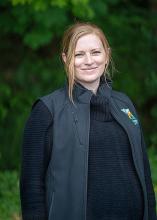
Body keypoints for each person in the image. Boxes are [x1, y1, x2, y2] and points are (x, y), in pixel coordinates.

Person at [20, 22, 157, 220]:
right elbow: (32, 188)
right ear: (66, 59)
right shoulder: (47, 111)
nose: (89, 60)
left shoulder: (124, 104)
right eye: (78, 54)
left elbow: (144, 175)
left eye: (95, 52)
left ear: (107, 55)